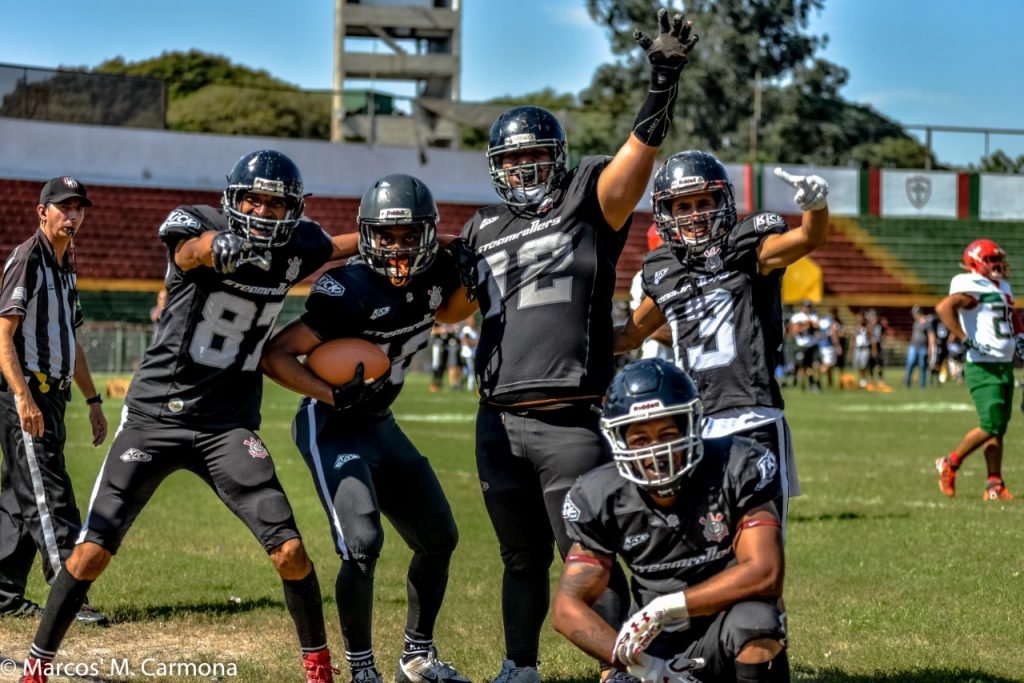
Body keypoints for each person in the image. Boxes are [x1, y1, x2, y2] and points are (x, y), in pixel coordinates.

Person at [18, 150, 361, 683]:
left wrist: (392, 237)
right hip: (155, 418)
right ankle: (37, 665)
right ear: (233, 199)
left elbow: (334, 244)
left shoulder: (296, 246)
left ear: (293, 208)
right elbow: (191, 251)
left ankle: (319, 668)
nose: (265, 212)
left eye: (276, 204)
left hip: (226, 426)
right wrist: (217, 249)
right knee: (90, 553)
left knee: (290, 551)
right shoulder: (201, 226)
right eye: (255, 200)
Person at [451, 10, 699, 682]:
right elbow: (445, 305)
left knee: (585, 555)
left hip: (572, 416)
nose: (527, 167)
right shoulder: (480, 229)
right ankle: (518, 667)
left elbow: (637, 158)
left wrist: (662, 82)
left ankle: (626, 667)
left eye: (537, 155)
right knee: (520, 556)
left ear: (556, 160)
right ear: (498, 168)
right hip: (497, 418)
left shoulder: (586, 200)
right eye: (514, 159)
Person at [262, 173, 477, 683]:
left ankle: (417, 656)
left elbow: (452, 307)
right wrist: (331, 393)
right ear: (366, 235)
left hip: (380, 422)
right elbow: (276, 354)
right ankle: (362, 670)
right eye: (385, 235)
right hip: (332, 422)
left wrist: (467, 259)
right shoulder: (348, 286)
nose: (397, 248)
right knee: (361, 542)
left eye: (410, 236)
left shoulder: (435, 276)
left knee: (439, 537)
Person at [615, 152, 830, 528]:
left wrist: (816, 207)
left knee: (760, 548)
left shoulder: (748, 248)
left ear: (722, 202)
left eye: (703, 202)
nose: (695, 214)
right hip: (693, 421)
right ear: (666, 212)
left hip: (753, 415)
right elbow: (630, 335)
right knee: (710, 544)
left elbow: (809, 237)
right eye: (683, 206)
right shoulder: (662, 270)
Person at [551, 359, 788, 683]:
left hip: (724, 629)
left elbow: (765, 573)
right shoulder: (600, 495)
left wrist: (669, 606)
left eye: (666, 434)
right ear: (619, 441)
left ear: (690, 427)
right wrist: (635, 663)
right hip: (656, 644)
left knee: (756, 621)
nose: (656, 452)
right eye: (641, 440)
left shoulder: (737, 464)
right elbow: (567, 607)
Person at [0, 177, 108, 627]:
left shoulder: (67, 265)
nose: (73, 214)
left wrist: (93, 400)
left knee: (19, 498)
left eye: (79, 207)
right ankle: (70, 594)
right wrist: (24, 397)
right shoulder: (28, 259)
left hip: (55, 394)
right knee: (52, 496)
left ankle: (3, 595)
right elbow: (3, 335)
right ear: (41, 211)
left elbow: (72, 341)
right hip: (27, 394)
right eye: (63, 207)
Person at [934, 239, 1020, 501]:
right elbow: (944, 307)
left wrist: (1021, 339)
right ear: (976, 263)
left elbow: (1012, 318)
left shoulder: (1002, 286)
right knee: (990, 424)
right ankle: (951, 462)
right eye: (992, 260)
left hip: (1003, 363)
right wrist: (963, 337)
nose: (997, 265)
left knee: (998, 428)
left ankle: (994, 484)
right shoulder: (971, 285)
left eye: (998, 260)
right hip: (983, 365)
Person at [903, 305, 934, 389]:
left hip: (923, 347)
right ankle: (907, 383)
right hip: (913, 346)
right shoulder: (916, 322)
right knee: (910, 364)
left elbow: (931, 336)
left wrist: (930, 348)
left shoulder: (927, 323)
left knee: (922, 366)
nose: (913, 315)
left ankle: (922, 385)